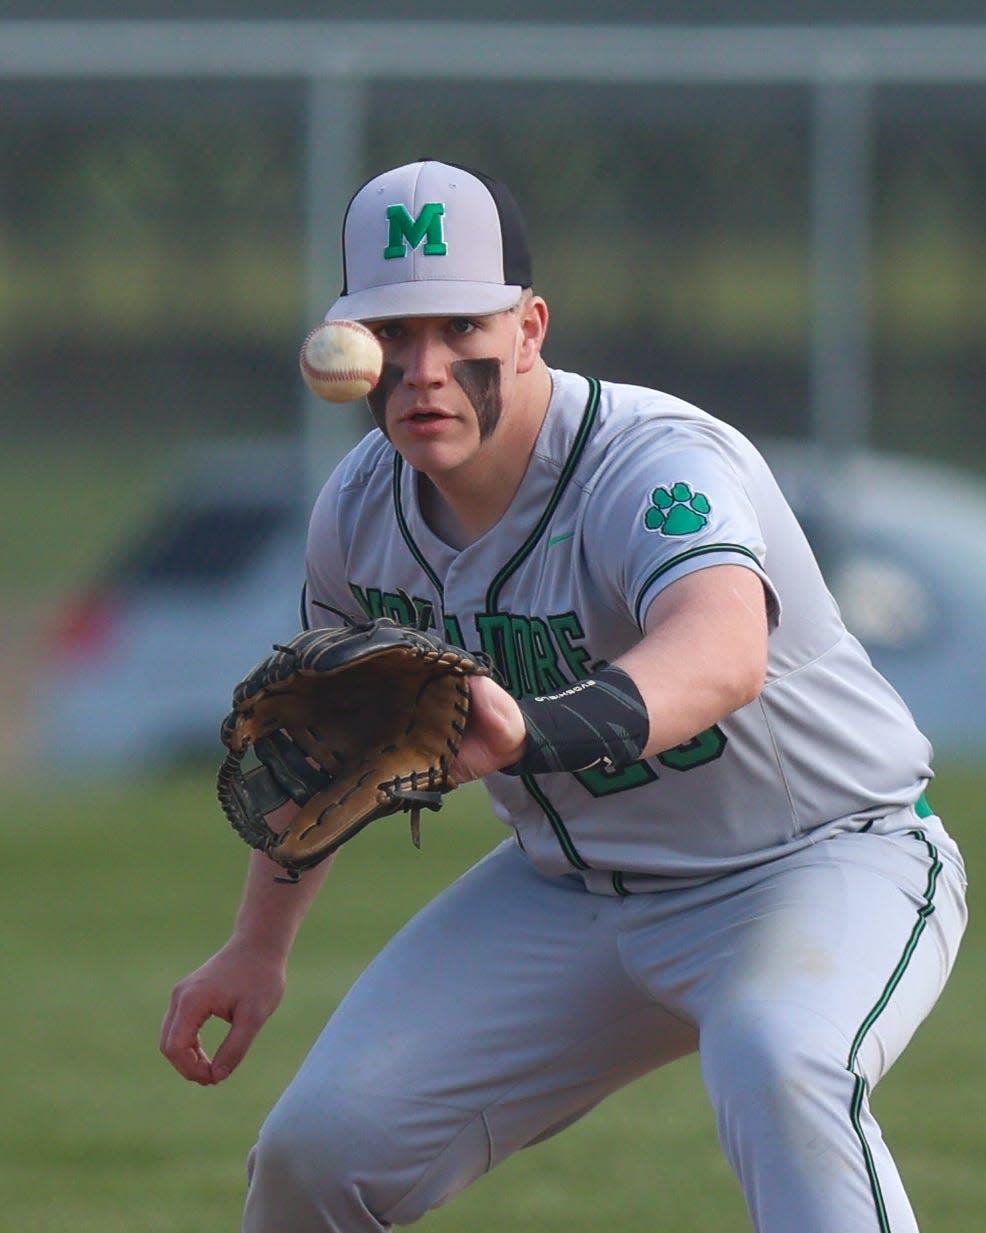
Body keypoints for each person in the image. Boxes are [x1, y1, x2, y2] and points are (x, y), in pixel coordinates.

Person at [161, 159, 968, 1233]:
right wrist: (257, 946)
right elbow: (322, 747)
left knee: (778, 1055)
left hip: (815, 861)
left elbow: (722, 650)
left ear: (530, 328)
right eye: (392, 336)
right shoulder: (357, 513)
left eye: (460, 331)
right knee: (317, 1157)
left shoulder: (650, 464)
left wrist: (536, 729)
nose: (423, 370)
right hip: (567, 893)